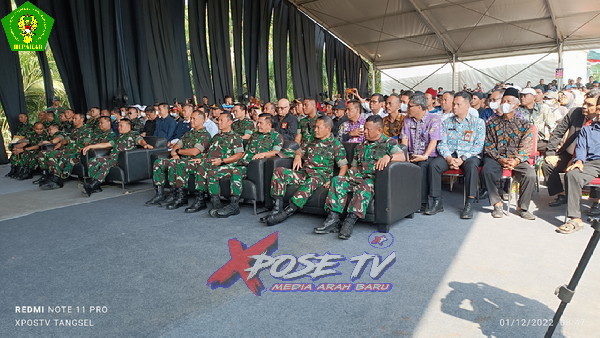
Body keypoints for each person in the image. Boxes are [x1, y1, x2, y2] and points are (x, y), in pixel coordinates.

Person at [317, 115, 405, 239]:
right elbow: (353, 166)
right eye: (365, 128)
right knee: (337, 180)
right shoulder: (360, 146)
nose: (365, 131)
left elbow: (402, 157)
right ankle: (333, 219)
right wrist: (351, 175)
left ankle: (349, 221)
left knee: (366, 186)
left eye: (369, 129)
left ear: (379, 130)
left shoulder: (388, 142)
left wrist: (388, 157)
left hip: (372, 180)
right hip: (357, 177)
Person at [264, 116, 348, 226]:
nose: (315, 130)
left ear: (328, 129)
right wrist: (298, 156)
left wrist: (333, 180)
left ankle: (287, 211)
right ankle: (276, 209)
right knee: (279, 171)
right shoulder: (312, 141)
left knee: (312, 180)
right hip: (304, 173)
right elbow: (299, 150)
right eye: (315, 127)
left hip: (320, 176)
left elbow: (344, 167)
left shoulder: (336, 145)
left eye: (318, 127)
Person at [211, 113, 284, 218]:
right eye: (257, 122)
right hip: (240, 163)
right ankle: (216, 204)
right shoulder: (255, 134)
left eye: (260, 123)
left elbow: (275, 152)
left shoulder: (276, 136)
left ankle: (234, 205)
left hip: (251, 167)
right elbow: (247, 150)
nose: (258, 125)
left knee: (236, 172)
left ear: (269, 124)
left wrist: (262, 154)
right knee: (214, 172)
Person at [427, 91, 486, 219]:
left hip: (469, 155)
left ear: (467, 106)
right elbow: (441, 143)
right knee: (434, 165)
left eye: (458, 105)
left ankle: (469, 204)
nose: (454, 107)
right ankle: (437, 201)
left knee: (471, 166)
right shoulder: (447, 122)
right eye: (453, 104)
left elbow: (478, 146)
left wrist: (462, 159)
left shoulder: (478, 123)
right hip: (451, 153)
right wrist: (448, 157)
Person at [481, 87, 536, 220]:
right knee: (486, 171)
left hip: (515, 159)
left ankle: (522, 207)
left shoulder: (525, 125)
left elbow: (526, 147)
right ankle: (497, 203)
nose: (505, 104)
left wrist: (515, 160)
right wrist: (500, 159)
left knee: (530, 174)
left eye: (509, 102)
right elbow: (488, 145)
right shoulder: (492, 123)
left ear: (516, 105)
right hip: (496, 158)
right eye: (503, 101)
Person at [543, 89, 600, 211]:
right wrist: (551, 153)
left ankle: (596, 202)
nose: (584, 107)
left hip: (590, 158)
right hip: (569, 153)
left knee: (589, 169)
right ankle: (563, 195)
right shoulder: (575, 113)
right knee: (547, 165)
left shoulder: (597, 123)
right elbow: (558, 132)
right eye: (584, 103)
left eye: (590, 105)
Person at [145, 110, 212, 211]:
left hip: (194, 162)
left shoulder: (205, 135)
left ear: (202, 120)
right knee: (158, 163)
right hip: (182, 160)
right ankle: (161, 194)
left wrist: (179, 152)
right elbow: (175, 147)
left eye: (194, 119)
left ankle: (181, 197)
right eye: (191, 118)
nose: (191, 121)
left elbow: (194, 152)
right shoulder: (188, 134)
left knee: (176, 163)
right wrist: (175, 153)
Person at [184, 112, 244, 216]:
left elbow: (239, 155)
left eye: (221, 120)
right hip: (210, 161)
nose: (218, 122)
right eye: (218, 120)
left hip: (224, 163)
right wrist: (201, 158)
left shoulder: (235, 137)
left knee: (205, 168)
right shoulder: (216, 136)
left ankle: (214, 202)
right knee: (197, 164)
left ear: (230, 122)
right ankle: (202, 199)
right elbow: (208, 152)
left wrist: (222, 161)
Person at [559, 95, 600, 234]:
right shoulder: (587, 130)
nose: (599, 113)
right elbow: (581, 149)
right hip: (593, 163)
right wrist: (579, 161)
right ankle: (575, 219)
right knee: (572, 174)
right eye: (598, 109)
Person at [81, 119, 153, 196]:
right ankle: (96, 186)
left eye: (121, 126)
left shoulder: (133, 134)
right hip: (112, 157)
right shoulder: (118, 137)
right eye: (118, 125)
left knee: (106, 164)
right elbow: (106, 144)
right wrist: (90, 146)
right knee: (93, 161)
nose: (119, 127)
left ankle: (92, 185)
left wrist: (145, 145)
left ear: (128, 126)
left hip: (122, 159)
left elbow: (140, 141)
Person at [401, 92, 442, 212]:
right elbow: (405, 139)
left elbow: (433, 141)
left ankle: (422, 202)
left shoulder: (434, 119)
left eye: (410, 106)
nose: (407, 109)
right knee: (404, 165)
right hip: (412, 153)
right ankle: (406, 199)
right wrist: (404, 156)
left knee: (422, 166)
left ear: (419, 107)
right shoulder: (407, 120)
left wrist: (424, 156)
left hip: (430, 155)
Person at [516, 87, 555, 154]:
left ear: (534, 97)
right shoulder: (517, 110)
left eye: (525, 96)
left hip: (539, 141)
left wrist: (554, 141)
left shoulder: (543, 108)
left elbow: (551, 126)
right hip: (522, 141)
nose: (522, 98)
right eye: (521, 96)